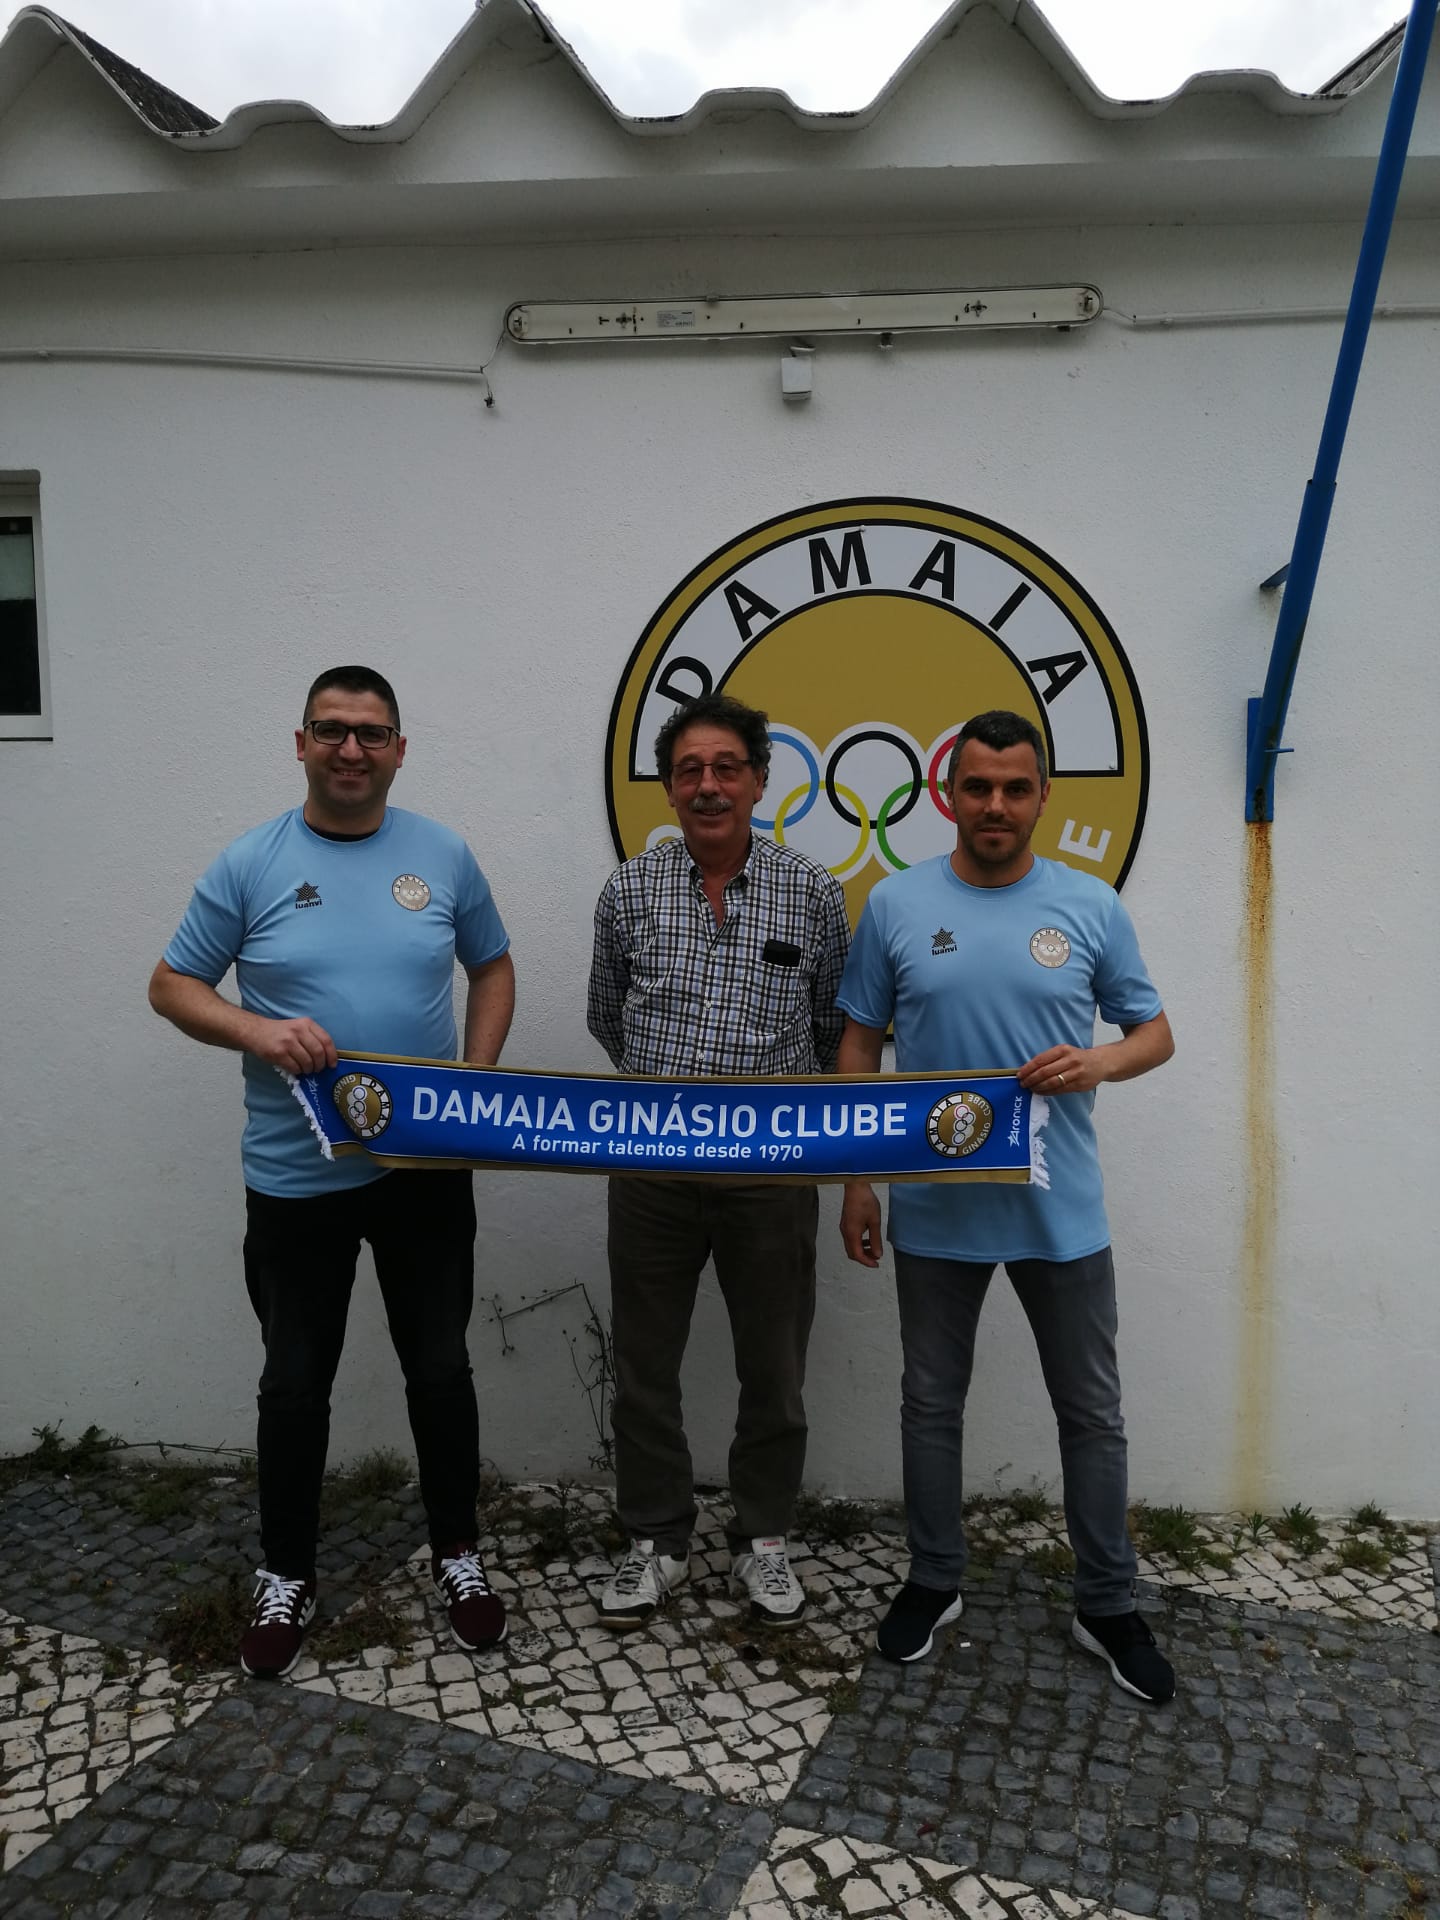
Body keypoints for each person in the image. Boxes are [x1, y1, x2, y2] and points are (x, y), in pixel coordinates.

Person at [149, 666, 516, 1679]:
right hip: (294, 1178)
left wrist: (475, 1080)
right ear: (301, 743)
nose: (351, 749)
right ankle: (286, 1572)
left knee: (438, 1369)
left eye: (371, 733)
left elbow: (492, 965)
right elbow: (172, 985)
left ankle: (458, 1554)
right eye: (332, 729)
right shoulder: (250, 862)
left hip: (422, 1171)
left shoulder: (442, 854)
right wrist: (256, 1030)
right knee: (293, 1383)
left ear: (400, 750)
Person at [835, 709, 1176, 1702]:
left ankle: (1104, 1601)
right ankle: (934, 1579)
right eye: (977, 786)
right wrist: (857, 1179)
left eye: (1014, 788)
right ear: (947, 793)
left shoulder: (1090, 905)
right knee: (930, 1404)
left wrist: (1099, 1061)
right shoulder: (895, 904)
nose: (995, 805)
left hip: (1059, 1212)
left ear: (1042, 796)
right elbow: (859, 1043)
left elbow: (1154, 1033)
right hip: (935, 1211)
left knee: (1093, 1414)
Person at [587, 692, 851, 1630]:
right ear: (668, 789)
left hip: (769, 1173)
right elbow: (608, 1019)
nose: (708, 786)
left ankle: (763, 1540)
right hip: (652, 1170)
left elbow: (831, 1034)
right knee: (644, 1365)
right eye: (689, 770)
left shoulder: (813, 893)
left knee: (773, 1366)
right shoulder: (627, 892)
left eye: (726, 768)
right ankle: (655, 1540)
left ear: (760, 781)